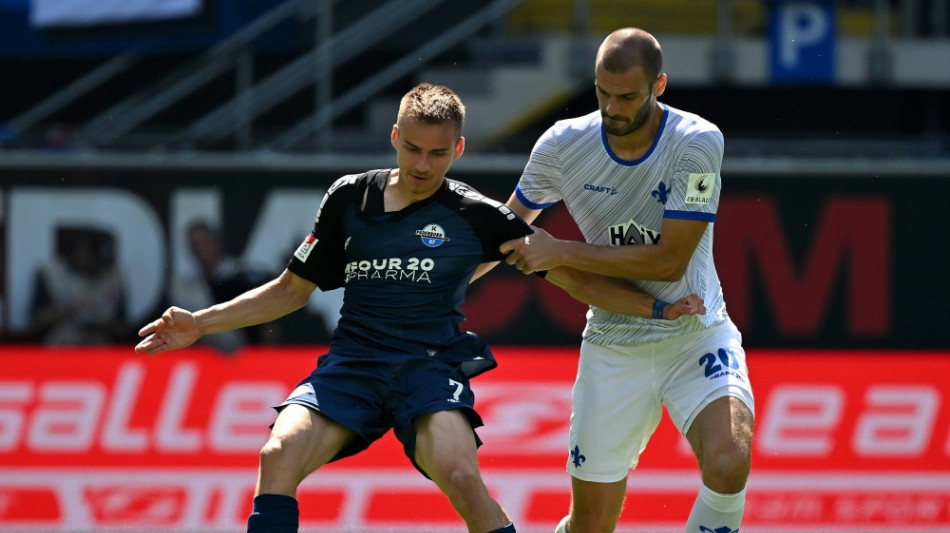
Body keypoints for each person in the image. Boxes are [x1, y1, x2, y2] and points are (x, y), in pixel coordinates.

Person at [135, 83, 702, 533]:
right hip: (353, 365)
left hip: (428, 369)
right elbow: (289, 291)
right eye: (411, 149)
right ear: (394, 137)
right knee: (276, 454)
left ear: (458, 150)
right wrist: (199, 323)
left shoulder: (479, 216)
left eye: (437, 153)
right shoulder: (348, 198)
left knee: (461, 477)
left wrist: (653, 312)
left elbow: (571, 279)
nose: (423, 165)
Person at [500, 28, 755, 533]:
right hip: (614, 343)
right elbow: (508, 230)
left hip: (696, 333)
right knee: (590, 524)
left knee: (730, 462)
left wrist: (559, 250)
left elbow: (669, 264)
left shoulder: (697, 143)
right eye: (602, 93)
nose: (612, 108)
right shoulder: (561, 145)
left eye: (627, 96)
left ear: (658, 85)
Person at [170, 219, 282, 353]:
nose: (200, 249)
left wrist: (263, 357)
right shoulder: (186, 287)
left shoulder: (244, 276)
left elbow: (269, 325)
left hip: (246, 355)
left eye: (204, 241)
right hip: (205, 359)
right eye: (194, 245)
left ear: (216, 241)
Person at [29, 226, 130, 345]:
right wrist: (69, 309)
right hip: (60, 349)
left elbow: (124, 329)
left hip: (100, 351)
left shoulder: (114, 277)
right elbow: (34, 323)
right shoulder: (51, 274)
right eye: (89, 253)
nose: (93, 262)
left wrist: (104, 324)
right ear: (79, 250)